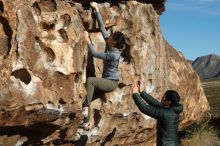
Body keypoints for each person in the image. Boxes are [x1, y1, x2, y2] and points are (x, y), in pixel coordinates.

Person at [82, 2, 132, 130]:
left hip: (111, 83)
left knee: (91, 81)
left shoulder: (114, 54)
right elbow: (103, 27)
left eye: (111, 37)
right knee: (87, 97)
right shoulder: (111, 43)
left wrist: (87, 38)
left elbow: (94, 53)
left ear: (114, 41)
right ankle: (88, 122)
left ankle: (86, 110)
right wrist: (97, 9)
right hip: (106, 80)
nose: (108, 36)